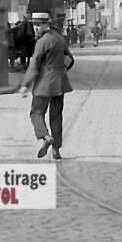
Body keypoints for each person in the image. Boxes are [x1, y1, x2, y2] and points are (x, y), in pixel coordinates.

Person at [20, 13, 73, 161]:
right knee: (56, 116)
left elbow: (34, 64)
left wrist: (25, 84)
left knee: (36, 113)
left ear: (46, 24)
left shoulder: (42, 42)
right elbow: (70, 59)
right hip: (60, 85)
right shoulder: (59, 39)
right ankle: (56, 150)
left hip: (44, 85)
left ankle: (46, 137)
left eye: (39, 24)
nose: (36, 28)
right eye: (34, 24)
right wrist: (61, 72)